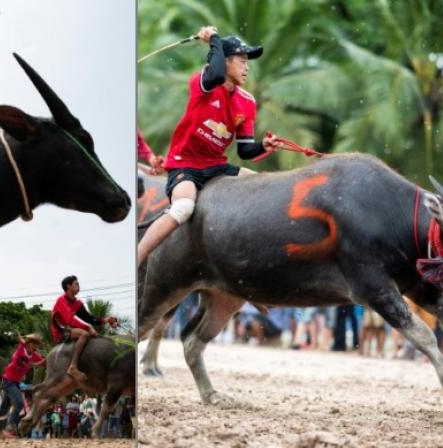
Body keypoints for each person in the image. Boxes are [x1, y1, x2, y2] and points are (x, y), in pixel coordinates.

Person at [136, 25, 278, 266]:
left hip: (216, 167)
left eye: (247, 62)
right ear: (225, 61)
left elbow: (245, 150)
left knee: (267, 192)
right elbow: (216, 75)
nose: (247, 67)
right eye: (241, 61)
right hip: (186, 166)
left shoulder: (248, 102)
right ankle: (137, 258)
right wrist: (214, 40)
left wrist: (263, 145)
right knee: (182, 208)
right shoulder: (203, 83)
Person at [0, 333, 45, 438]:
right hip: (8, 381)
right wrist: (25, 341)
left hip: (15, 383)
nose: (36, 347)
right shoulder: (21, 350)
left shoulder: (34, 356)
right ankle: (9, 429)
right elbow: (22, 342)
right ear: (28, 344)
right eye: (34, 344)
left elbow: (44, 362)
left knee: (3, 411)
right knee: (19, 403)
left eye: (37, 345)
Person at [51, 275, 117, 381]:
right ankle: (72, 367)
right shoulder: (61, 300)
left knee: (92, 337)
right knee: (84, 334)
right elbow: (70, 321)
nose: (79, 285)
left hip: (70, 329)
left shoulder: (77, 303)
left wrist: (106, 319)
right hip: (61, 332)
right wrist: (88, 328)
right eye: (76, 284)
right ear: (68, 286)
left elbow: (89, 318)